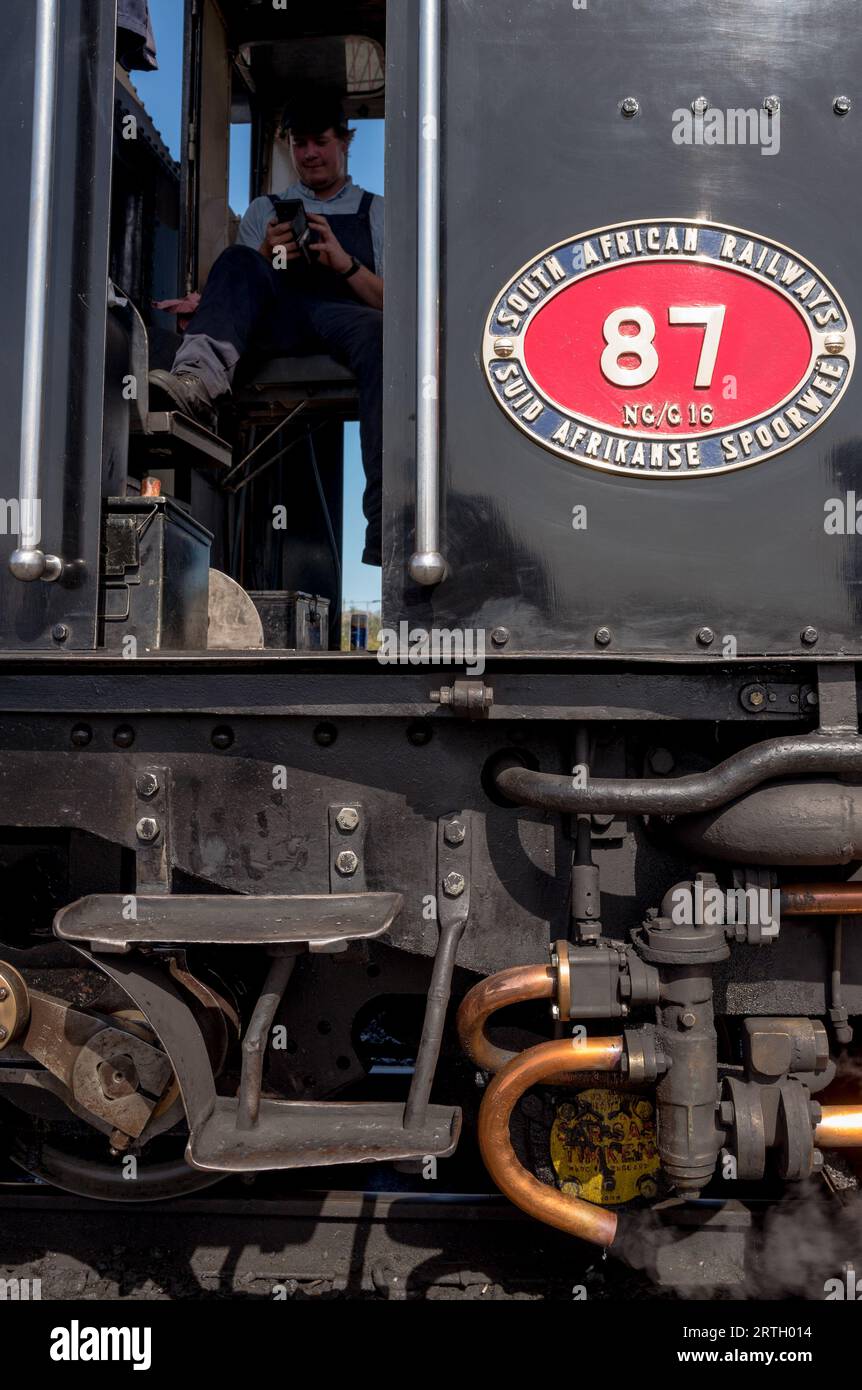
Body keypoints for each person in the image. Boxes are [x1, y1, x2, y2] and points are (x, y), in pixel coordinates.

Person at [149, 94, 384, 567]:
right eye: (300, 144)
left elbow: (392, 303)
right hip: (278, 320)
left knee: (383, 335)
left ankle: (386, 520)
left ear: (345, 144)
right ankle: (195, 383)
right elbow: (243, 285)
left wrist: (343, 261)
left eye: (320, 142)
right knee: (236, 258)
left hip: (344, 318)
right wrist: (267, 255)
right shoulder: (264, 209)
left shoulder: (377, 210)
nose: (310, 154)